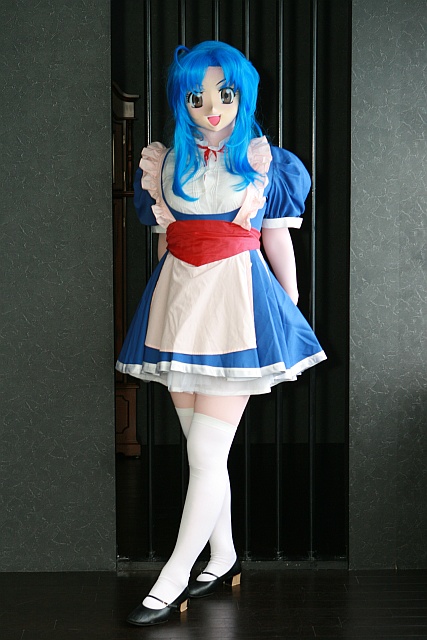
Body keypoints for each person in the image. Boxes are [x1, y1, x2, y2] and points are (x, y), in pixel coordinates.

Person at [116, 40, 326, 626]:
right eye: (197, 96)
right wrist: (164, 308)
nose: (211, 108)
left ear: (243, 97)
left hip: (237, 306)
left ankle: (174, 576)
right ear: (182, 101)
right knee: (203, 453)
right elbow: (168, 241)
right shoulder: (165, 164)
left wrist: (287, 303)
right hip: (180, 307)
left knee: (206, 453)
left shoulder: (264, 162)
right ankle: (225, 554)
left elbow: (276, 236)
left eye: (224, 94)